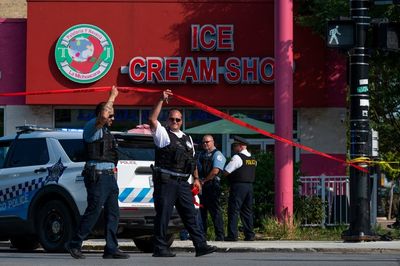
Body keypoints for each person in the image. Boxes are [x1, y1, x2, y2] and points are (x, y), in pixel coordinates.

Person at [148, 89, 217, 257]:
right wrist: (161, 100)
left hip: (183, 183)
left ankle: (200, 245)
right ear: (168, 120)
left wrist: (196, 179)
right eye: (172, 119)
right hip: (167, 181)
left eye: (178, 119)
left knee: (191, 214)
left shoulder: (187, 138)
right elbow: (151, 119)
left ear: (181, 121)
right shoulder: (163, 134)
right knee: (163, 215)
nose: (174, 121)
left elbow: (192, 160)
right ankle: (160, 247)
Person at [66, 86, 129, 259]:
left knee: (113, 213)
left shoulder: (107, 132)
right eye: (111, 114)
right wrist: (112, 96)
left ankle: (111, 248)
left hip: (109, 177)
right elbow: (103, 115)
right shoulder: (92, 128)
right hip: (97, 176)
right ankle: (74, 243)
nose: (112, 118)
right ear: (102, 114)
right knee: (94, 210)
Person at [223, 136, 256, 242]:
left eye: (235, 145)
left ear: (241, 146)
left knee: (234, 210)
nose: (234, 148)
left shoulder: (237, 158)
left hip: (238, 186)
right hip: (249, 187)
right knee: (247, 211)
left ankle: (232, 236)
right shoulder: (252, 158)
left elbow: (226, 171)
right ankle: (249, 235)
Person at [197, 135, 226, 241]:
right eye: (203, 142)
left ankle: (220, 235)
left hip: (212, 186)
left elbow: (215, 171)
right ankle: (202, 235)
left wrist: (204, 181)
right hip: (202, 186)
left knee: (215, 212)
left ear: (213, 142)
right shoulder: (201, 154)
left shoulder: (217, 155)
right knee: (201, 212)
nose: (205, 144)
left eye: (207, 142)